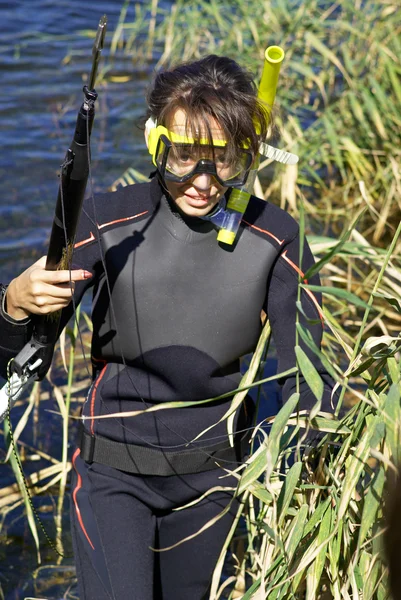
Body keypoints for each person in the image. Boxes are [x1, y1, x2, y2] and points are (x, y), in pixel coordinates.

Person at [0, 55, 335, 600]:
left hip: (215, 483)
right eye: (183, 158)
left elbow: (310, 372)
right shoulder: (107, 221)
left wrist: (303, 458)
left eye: (223, 160)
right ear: (156, 144)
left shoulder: (276, 237)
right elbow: (30, 351)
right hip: (112, 476)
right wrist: (14, 302)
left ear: (247, 153)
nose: (202, 183)